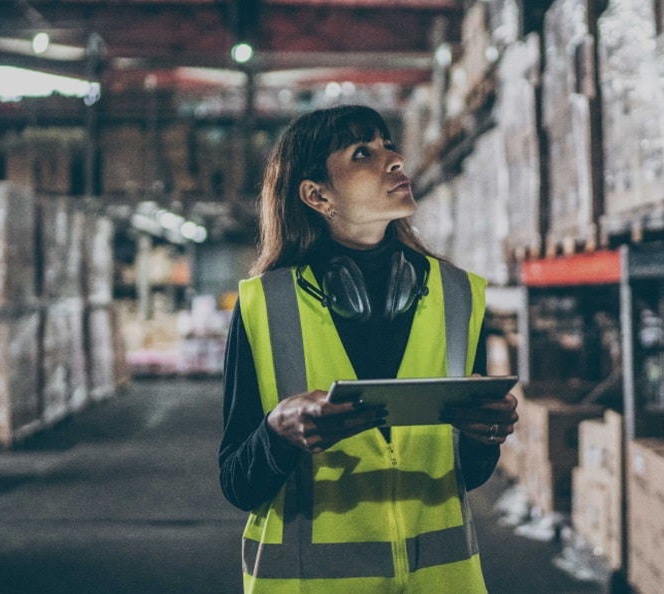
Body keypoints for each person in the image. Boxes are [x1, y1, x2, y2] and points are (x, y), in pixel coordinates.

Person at [218, 104, 519, 593]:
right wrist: (276, 433)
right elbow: (237, 481)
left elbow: (468, 473)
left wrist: (487, 432)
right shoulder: (265, 306)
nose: (395, 160)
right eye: (363, 152)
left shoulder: (458, 296)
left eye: (389, 145)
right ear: (317, 195)